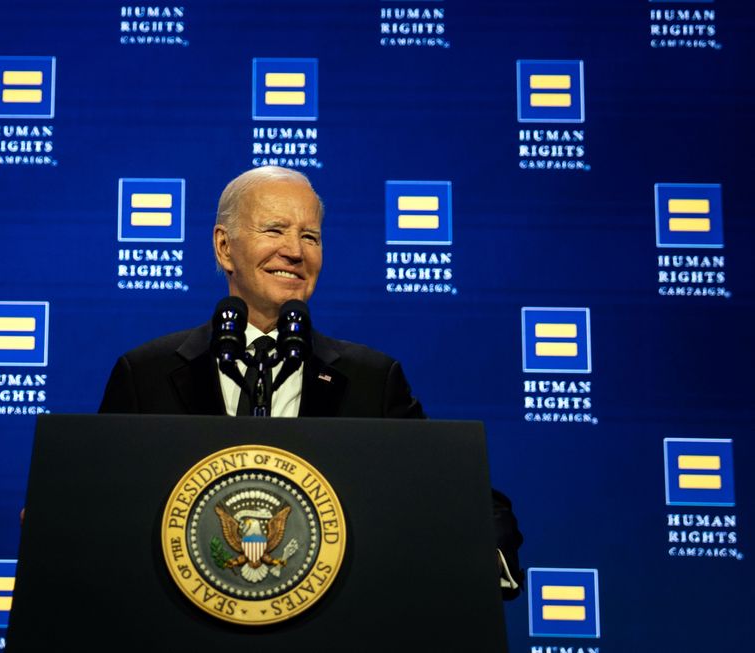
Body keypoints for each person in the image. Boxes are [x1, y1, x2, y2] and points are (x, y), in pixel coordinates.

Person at [99, 166, 523, 598]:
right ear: (224, 247)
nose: (295, 252)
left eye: (310, 237)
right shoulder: (146, 373)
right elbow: (99, 500)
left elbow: (458, 492)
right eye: (274, 230)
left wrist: (490, 550)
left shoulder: (371, 379)